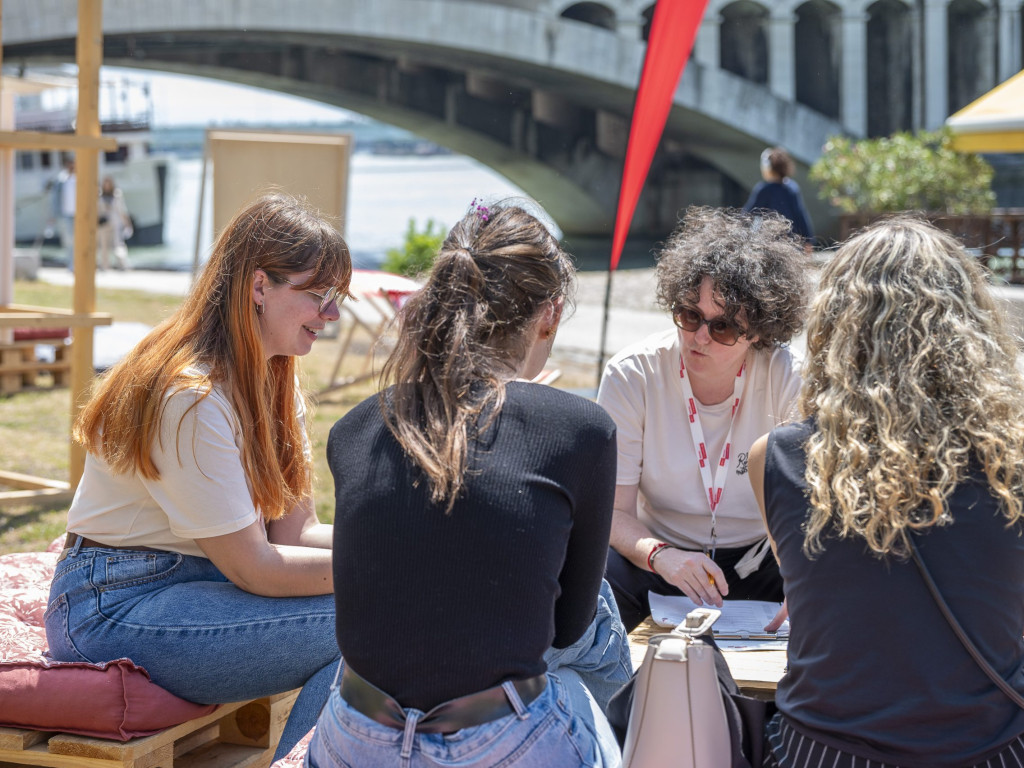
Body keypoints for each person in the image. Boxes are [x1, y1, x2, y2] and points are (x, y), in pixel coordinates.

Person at [307, 200, 630, 768]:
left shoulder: (353, 428)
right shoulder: (581, 431)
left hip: (355, 736)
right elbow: (569, 626)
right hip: (496, 742)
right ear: (549, 316)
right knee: (588, 666)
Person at [44, 193, 350, 762]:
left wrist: (407, 544)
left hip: (193, 587)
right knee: (370, 627)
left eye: (338, 299)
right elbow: (255, 567)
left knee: (385, 618)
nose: (332, 314)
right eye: (319, 295)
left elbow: (293, 536)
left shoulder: (275, 383)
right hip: (113, 604)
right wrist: (393, 568)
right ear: (259, 286)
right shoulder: (191, 395)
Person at [749, 216, 1024, 767]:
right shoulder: (1011, 461)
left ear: (833, 326)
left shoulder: (776, 458)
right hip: (987, 749)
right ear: (970, 326)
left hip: (825, 749)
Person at [597, 206, 809, 632]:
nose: (699, 336)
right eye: (690, 315)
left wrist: (807, 579)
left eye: (724, 327)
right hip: (658, 559)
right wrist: (662, 556)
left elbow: (812, 511)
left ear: (759, 333)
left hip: (763, 562)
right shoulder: (632, 374)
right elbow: (611, 513)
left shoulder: (791, 376)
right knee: (591, 568)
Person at [743, 147, 814, 249]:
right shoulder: (792, 187)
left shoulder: (764, 189)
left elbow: (748, 214)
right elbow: (801, 216)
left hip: (769, 244)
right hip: (792, 243)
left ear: (768, 169)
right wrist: (808, 241)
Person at [96, 175, 133, 270]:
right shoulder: (100, 195)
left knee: (118, 244)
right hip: (103, 224)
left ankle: (123, 265)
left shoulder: (117, 194)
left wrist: (127, 224)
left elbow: (122, 210)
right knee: (103, 246)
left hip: (115, 223)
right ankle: (105, 266)